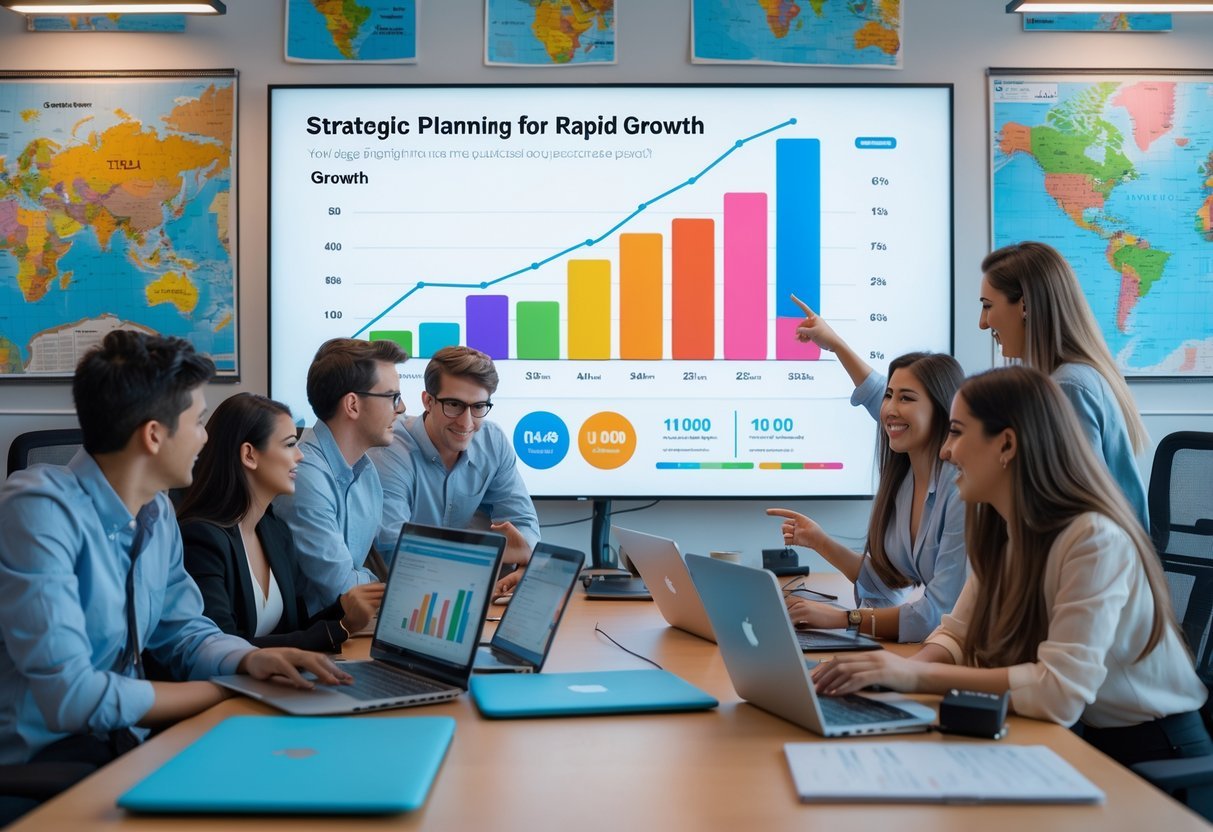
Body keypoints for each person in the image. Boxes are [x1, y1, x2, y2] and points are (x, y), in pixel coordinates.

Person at [813, 366, 1210, 769]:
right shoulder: (1004, 527)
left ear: (1006, 445)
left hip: (1154, 756)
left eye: (956, 432)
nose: (946, 451)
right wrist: (896, 670)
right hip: (1079, 738)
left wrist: (914, 678)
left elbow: (1059, 693)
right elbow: (957, 634)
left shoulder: (1093, 539)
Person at [0, 332, 349, 772]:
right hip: (40, 763)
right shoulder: (39, 511)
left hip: (123, 746)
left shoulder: (156, 513)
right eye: (199, 421)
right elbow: (73, 697)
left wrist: (250, 658)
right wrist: (233, 687)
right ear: (153, 436)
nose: (206, 439)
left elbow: (185, 632)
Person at [769, 300, 967, 642]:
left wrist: (841, 619)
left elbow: (936, 615)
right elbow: (883, 584)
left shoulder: (962, 490)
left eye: (906, 398)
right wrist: (819, 541)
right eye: (890, 396)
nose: (889, 409)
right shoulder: (907, 476)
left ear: (943, 410)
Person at [177, 393, 384, 652]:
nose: (300, 456)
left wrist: (343, 609)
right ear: (249, 455)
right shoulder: (202, 539)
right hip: (228, 688)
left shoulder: (275, 531)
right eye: (288, 445)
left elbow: (294, 630)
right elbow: (222, 649)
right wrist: (338, 629)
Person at [978, 241, 1149, 530]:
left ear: (1024, 306)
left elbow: (1077, 518)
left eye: (988, 306)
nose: (983, 323)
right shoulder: (1067, 380)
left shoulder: (1068, 388)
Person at [369, 346, 539, 596]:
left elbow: (524, 525)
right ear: (428, 401)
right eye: (454, 405)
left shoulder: (492, 442)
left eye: (479, 406)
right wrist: (489, 553)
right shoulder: (391, 449)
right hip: (404, 598)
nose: (466, 422)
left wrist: (526, 565)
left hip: (465, 597)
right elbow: (396, 549)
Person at [274, 337, 407, 616]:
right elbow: (343, 590)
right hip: (313, 640)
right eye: (392, 397)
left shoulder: (366, 470)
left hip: (349, 631)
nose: (401, 408)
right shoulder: (306, 475)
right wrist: (400, 588)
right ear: (353, 405)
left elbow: (385, 558)